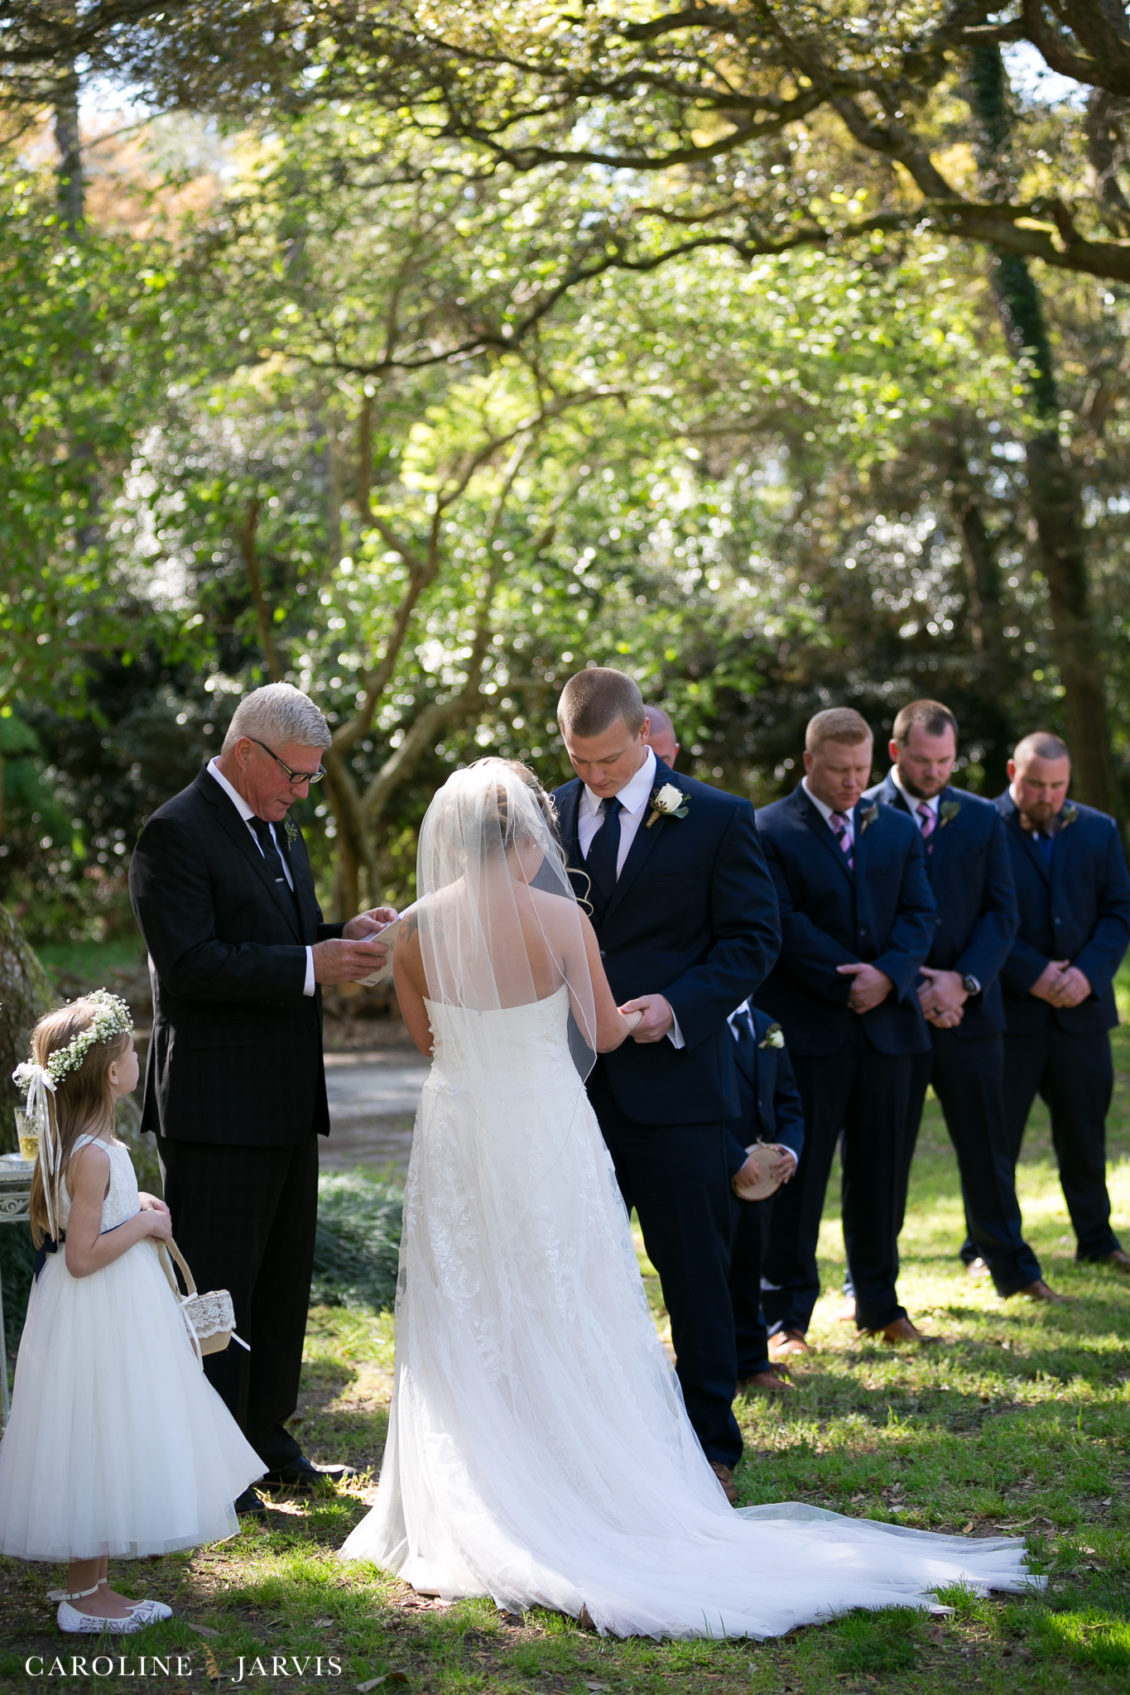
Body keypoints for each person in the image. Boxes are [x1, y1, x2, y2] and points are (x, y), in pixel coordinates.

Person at [338, 758, 1040, 1637]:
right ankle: (578, 1471)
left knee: (471, 1295)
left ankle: (480, 1478)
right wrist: (631, 1015)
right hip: (542, 1123)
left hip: (456, 1127)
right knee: (567, 1296)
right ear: (521, 838)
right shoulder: (558, 915)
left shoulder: (413, 930)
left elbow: (425, 1037)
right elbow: (597, 1031)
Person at [128, 682, 397, 1514]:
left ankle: (269, 1440)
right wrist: (315, 964)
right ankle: (212, 1463)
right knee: (218, 1290)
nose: (304, 790)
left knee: (280, 1284)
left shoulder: (281, 827)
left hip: (285, 1094)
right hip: (214, 1102)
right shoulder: (173, 833)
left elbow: (286, 938)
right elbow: (194, 964)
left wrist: (342, 934)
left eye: (313, 777)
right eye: (297, 775)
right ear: (249, 752)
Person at [552, 668, 780, 1501]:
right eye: (579, 761)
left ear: (644, 734)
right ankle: (599, 1439)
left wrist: (675, 1007)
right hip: (571, 1088)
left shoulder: (716, 816)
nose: (595, 777)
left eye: (608, 758)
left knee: (694, 1271)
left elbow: (755, 939)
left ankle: (712, 1444)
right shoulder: (547, 812)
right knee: (579, 1269)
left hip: (679, 1084)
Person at [0, 994, 263, 1634]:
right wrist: (144, 1223)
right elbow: (83, 1255)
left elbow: (84, 1221)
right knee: (100, 1436)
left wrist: (132, 1204)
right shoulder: (92, 1153)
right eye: (130, 1050)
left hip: (100, 1312)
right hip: (98, 1310)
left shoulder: (90, 1144)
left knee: (105, 1437)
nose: (138, 1056)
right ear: (110, 1073)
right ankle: (83, 1598)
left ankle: (92, 1585)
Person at [864, 702, 1066, 1303]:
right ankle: (870, 1279)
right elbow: (866, 915)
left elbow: (1004, 913)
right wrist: (914, 983)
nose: (935, 773)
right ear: (896, 753)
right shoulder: (863, 813)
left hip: (971, 1008)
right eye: (924, 761)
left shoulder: (981, 818)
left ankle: (1014, 1269)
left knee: (988, 1145)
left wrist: (962, 982)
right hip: (894, 1012)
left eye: (946, 761)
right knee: (886, 1154)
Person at [756, 708, 937, 1357]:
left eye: (862, 770)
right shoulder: (768, 828)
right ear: (809, 762)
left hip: (889, 1029)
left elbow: (921, 911)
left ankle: (879, 1302)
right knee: (798, 1176)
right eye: (838, 771)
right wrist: (846, 980)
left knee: (883, 1171)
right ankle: (786, 1317)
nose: (852, 783)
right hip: (810, 1029)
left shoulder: (895, 824)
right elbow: (783, 921)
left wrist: (887, 975)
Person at [993, 732, 1130, 1273]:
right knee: (995, 1139)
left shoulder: (1098, 829)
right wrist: (1032, 973)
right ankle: (985, 1245)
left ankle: (1096, 1239)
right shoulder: (982, 828)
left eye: (1058, 786)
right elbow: (975, 915)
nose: (1048, 797)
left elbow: (1119, 911)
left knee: (1085, 1135)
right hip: (1010, 1013)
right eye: (1035, 785)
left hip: (1082, 1013)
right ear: (1012, 773)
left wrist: (1087, 975)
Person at [724, 1002, 805, 1398]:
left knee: (749, 1266)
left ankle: (751, 1360)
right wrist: (733, 1157)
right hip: (716, 1171)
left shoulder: (767, 1024)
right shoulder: (702, 1023)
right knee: (716, 1273)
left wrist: (789, 1149)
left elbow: (789, 1101)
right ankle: (718, 1363)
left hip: (763, 1180)